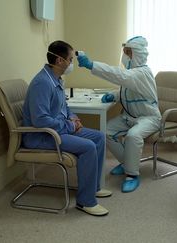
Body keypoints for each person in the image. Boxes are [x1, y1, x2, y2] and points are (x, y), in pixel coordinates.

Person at [22, 40, 112, 216]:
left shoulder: (56, 79)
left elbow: (64, 107)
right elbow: (40, 120)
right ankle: (85, 202)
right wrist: (70, 125)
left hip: (59, 129)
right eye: (70, 59)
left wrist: (73, 118)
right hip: (42, 136)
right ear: (59, 61)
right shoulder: (42, 83)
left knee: (99, 137)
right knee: (88, 147)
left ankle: (92, 188)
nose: (72, 63)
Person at [77, 36, 161, 193]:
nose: (125, 55)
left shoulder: (142, 73)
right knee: (106, 132)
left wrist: (91, 65)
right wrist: (114, 95)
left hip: (149, 118)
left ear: (136, 54)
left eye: (128, 52)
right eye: (124, 51)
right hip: (129, 116)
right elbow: (127, 88)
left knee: (133, 136)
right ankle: (127, 163)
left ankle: (132, 175)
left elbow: (119, 75)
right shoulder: (133, 73)